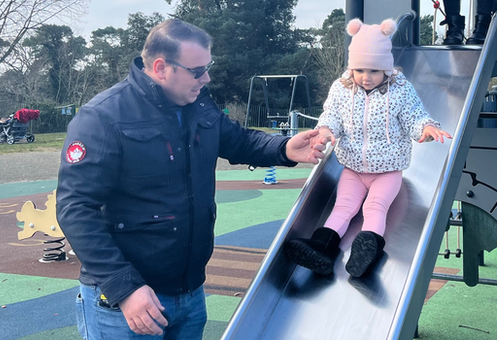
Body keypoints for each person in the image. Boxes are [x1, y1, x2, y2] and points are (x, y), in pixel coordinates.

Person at [56, 19, 328, 340]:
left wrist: (284, 147)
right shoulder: (103, 116)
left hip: (190, 294)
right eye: (198, 70)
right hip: (127, 302)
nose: (207, 77)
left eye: (207, 67)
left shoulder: (197, 104)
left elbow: (238, 140)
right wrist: (124, 288)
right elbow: (75, 209)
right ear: (161, 67)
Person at [282, 19, 450, 278]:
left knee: (375, 207)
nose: (365, 77)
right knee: (343, 208)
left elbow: (414, 115)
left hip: (388, 170)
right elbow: (331, 116)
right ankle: (321, 249)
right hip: (353, 168)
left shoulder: (399, 90)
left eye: (373, 70)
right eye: (359, 70)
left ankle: (368, 249)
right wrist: (326, 131)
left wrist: (425, 128)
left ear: (386, 68)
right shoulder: (342, 88)